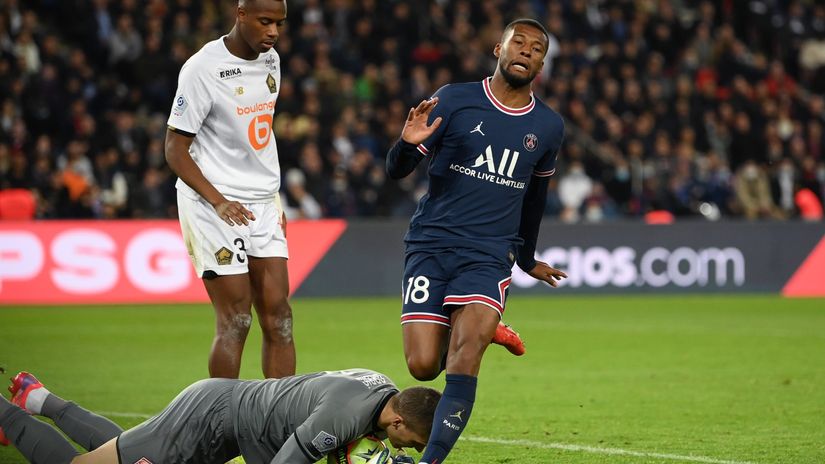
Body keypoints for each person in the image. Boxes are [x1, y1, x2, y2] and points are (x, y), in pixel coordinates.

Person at [385, 18, 568, 464]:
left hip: (488, 254)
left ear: (543, 62)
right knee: (424, 366)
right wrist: (406, 145)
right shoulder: (455, 99)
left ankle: (430, 461)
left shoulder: (547, 126)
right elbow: (396, 170)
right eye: (518, 43)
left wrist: (526, 260)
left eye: (536, 48)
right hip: (431, 245)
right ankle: (485, 331)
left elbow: (535, 200)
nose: (527, 51)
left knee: (463, 362)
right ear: (497, 49)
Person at [165, 0, 295, 379]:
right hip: (214, 202)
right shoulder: (202, 69)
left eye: (280, 24)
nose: (273, 32)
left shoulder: (271, 59)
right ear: (241, 15)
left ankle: (278, 425)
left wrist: (272, 194)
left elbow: (257, 136)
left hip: (262, 202)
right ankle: (221, 426)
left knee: (280, 317)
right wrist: (219, 202)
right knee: (237, 319)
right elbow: (174, 148)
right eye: (265, 22)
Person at [0, 370, 440, 464]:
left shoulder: (381, 388)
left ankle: (36, 397)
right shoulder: (345, 415)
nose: (415, 451)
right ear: (399, 422)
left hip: (226, 413)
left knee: (124, 452)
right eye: (417, 443)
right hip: (208, 423)